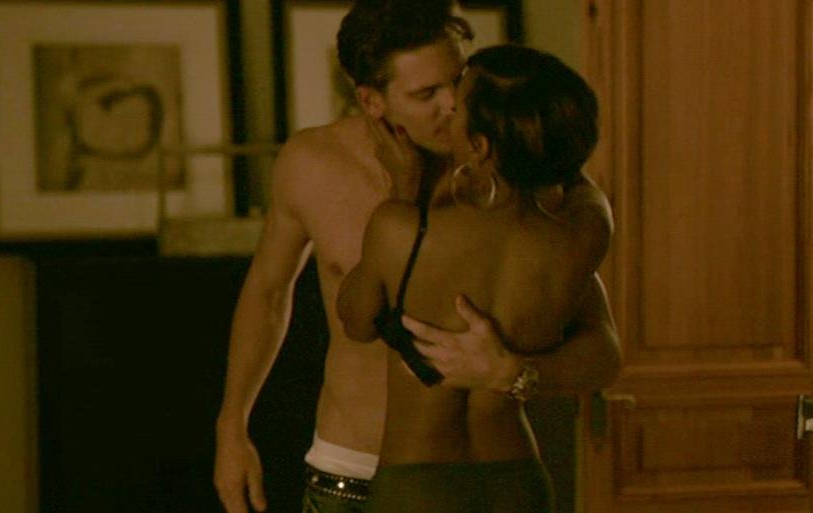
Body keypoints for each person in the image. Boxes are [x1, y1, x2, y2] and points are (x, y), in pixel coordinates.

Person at [213, 2, 620, 512]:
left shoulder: (521, 176)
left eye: (459, 81)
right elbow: (269, 294)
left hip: (480, 477)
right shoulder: (313, 163)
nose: (451, 104)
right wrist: (232, 427)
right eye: (426, 93)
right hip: (347, 470)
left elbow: (602, 350)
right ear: (372, 100)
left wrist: (515, 372)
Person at [336, 44, 609, 513]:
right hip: (517, 480)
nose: (447, 109)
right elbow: (606, 355)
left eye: (458, 105)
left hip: (419, 487)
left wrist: (403, 191)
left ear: (480, 146)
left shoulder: (403, 227)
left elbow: (356, 321)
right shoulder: (583, 232)